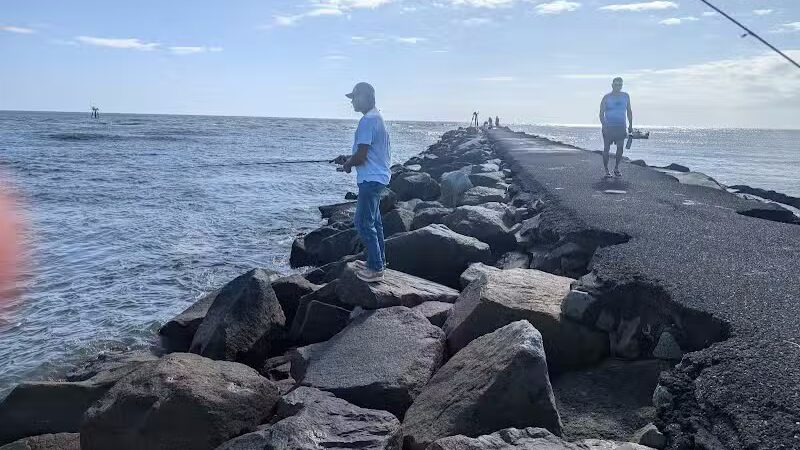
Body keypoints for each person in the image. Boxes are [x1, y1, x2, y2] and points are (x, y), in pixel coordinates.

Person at [333, 82, 391, 282]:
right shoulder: (377, 118)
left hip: (370, 180)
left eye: (354, 98)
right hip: (379, 177)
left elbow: (361, 157)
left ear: (365, 97)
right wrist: (347, 158)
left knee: (362, 222)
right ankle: (379, 261)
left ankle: (375, 268)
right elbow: (365, 152)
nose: (352, 102)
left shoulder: (367, 121)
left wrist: (349, 164)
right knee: (375, 222)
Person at [599, 77, 633, 177]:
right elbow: (601, 114)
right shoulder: (606, 97)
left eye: (620, 85)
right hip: (609, 126)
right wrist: (604, 125)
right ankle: (606, 170)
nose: (618, 87)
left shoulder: (626, 96)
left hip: (621, 126)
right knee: (606, 149)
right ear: (612, 85)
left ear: (621, 85)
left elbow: (629, 111)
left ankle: (616, 168)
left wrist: (631, 125)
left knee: (620, 148)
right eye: (616, 84)